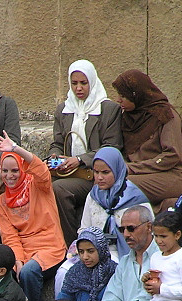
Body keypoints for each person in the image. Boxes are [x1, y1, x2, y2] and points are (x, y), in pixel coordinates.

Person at [0, 131, 67, 301]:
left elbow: (41, 169)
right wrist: (18, 259)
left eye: (15, 170)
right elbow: (10, 237)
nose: (9, 176)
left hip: (50, 247)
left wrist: (15, 149)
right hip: (25, 251)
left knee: (28, 272)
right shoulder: (2, 201)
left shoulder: (38, 186)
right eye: (5, 171)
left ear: (22, 170)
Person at [49, 59, 123, 245]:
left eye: (84, 83)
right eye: (74, 83)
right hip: (66, 171)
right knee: (38, 183)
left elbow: (112, 146)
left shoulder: (108, 109)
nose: (79, 88)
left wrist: (80, 160)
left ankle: (71, 242)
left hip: (91, 174)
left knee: (59, 189)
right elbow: (57, 143)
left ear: (92, 81)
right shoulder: (64, 109)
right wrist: (54, 157)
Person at [111, 69, 182, 214]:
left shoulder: (165, 115)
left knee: (124, 186)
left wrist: (133, 168)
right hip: (141, 174)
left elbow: (171, 156)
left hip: (172, 174)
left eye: (123, 96)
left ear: (135, 95)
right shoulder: (128, 117)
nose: (118, 100)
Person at [98, 205, 159, 301]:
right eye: (122, 229)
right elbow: (112, 297)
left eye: (131, 228)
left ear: (149, 227)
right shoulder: (124, 262)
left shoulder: (163, 256)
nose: (125, 234)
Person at [80, 147, 151, 261]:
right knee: (65, 270)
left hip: (128, 254)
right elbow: (84, 228)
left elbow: (147, 235)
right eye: (96, 172)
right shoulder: (93, 196)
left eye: (105, 172)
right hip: (93, 253)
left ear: (117, 170)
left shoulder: (135, 198)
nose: (99, 177)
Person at [58, 227, 117, 301]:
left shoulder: (114, 272)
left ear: (101, 249)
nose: (85, 257)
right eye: (81, 252)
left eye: (90, 251)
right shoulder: (74, 272)